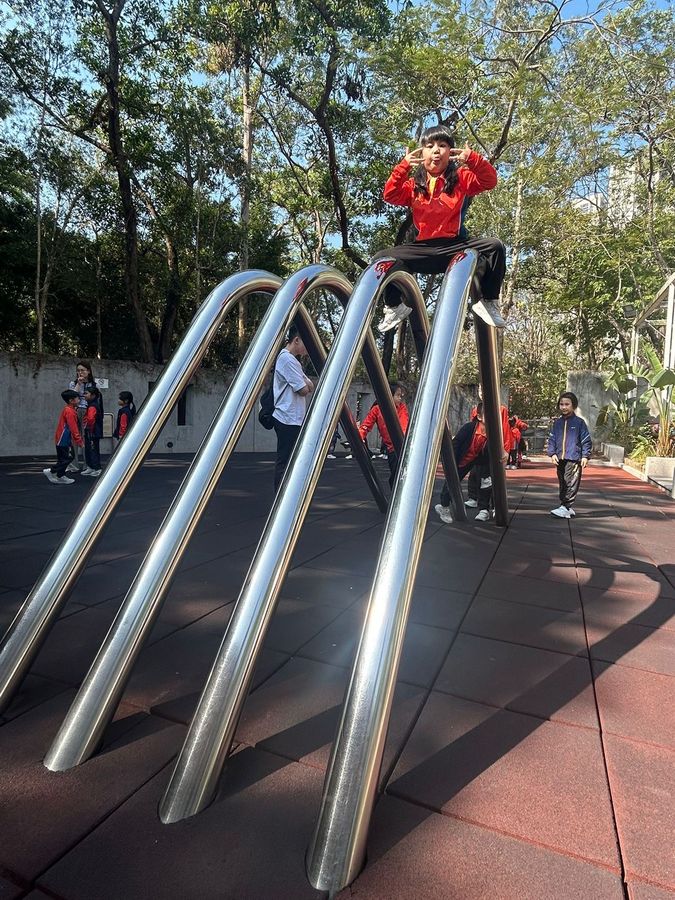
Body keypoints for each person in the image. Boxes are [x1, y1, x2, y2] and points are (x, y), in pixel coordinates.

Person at [373, 124, 506, 334]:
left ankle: (489, 301)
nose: (436, 150)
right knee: (381, 258)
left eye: (442, 145)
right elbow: (390, 195)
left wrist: (472, 158)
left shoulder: (461, 177)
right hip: (423, 249)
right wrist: (403, 167)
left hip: (454, 246)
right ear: (421, 153)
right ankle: (394, 306)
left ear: (450, 152)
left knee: (494, 246)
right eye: (430, 146)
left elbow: (489, 181)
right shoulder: (414, 185)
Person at [272, 325, 314, 491]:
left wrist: (306, 383)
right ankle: (280, 495)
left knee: (289, 460)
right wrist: (306, 383)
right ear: (296, 340)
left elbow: (310, 386)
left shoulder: (293, 361)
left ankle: (284, 493)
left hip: (292, 418)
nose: (308, 349)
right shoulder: (287, 360)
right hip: (287, 418)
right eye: (306, 344)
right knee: (285, 461)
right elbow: (304, 389)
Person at [435, 402, 493, 523]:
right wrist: (451, 462)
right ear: (479, 417)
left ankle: (484, 509)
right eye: (488, 415)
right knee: (452, 482)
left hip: (476, 460)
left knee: (485, 481)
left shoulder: (492, 432)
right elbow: (456, 444)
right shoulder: (469, 428)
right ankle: (444, 506)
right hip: (460, 459)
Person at [547, 392, 592, 519]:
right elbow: (552, 439)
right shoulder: (557, 423)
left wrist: (585, 456)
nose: (564, 407)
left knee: (571, 482)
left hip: (573, 457)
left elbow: (586, 440)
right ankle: (565, 506)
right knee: (563, 482)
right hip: (560, 458)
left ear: (574, 406)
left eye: (567, 404)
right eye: (561, 404)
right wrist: (552, 453)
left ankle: (566, 506)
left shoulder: (579, 423)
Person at [358, 383, 409, 486]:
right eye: (398, 395)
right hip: (392, 448)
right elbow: (366, 426)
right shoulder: (377, 409)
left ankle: (397, 487)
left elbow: (404, 425)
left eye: (401, 396)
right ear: (389, 395)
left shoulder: (401, 408)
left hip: (402, 444)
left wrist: (404, 440)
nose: (400, 399)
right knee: (396, 473)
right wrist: (359, 437)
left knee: (400, 473)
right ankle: (395, 487)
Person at [43, 390, 84, 484]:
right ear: (71, 400)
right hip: (63, 439)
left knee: (65, 457)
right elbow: (73, 428)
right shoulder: (70, 412)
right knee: (67, 457)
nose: (79, 400)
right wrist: (79, 441)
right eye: (77, 398)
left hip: (63, 438)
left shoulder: (69, 409)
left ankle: (60, 475)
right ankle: (53, 471)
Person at [67, 360, 97, 472]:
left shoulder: (93, 384)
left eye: (83, 370)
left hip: (87, 411)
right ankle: (73, 465)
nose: (80, 372)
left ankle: (87, 464)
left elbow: (96, 398)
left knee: (86, 437)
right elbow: (71, 397)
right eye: (78, 370)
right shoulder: (73, 383)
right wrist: (79, 384)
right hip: (75, 411)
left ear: (88, 371)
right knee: (74, 437)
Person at [82, 385, 104, 476]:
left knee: (93, 450)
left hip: (92, 432)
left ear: (93, 395)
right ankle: (90, 467)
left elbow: (91, 419)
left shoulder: (93, 406)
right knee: (89, 449)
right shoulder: (91, 405)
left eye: (86, 393)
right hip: (91, 431)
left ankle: (97, 468)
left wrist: (89, 428)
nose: (84, 395)